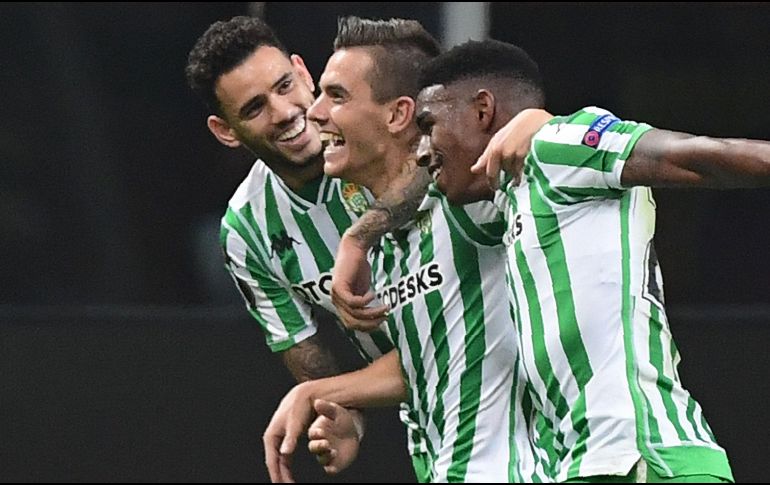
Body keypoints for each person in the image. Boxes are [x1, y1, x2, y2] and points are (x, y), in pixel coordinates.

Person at [403, 39, 770, 482]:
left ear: (483, 109)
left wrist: (540, 124)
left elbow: (697, 157)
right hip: (585, 462)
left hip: (643, 456)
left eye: (429, 125)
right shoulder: (511, 195)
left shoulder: (556, 143)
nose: (422, 150)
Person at [262, 16, 548, 483]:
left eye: (336, 96)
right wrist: (324, 394)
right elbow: (429, 355)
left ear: (398, 116)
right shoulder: (389, 241)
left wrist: (539, 124)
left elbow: (551, 161)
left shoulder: (468, 202)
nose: (314, 114)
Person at [184, 16, 430, 481]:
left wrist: (360, 236)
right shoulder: (246, 232)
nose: (283, 111)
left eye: (284, 86)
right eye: (255, 107)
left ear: (303, 72)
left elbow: (438, 168)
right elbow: (319, 379)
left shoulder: (388, 135)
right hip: (431, 421)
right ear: (225, 131)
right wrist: (344, 418)